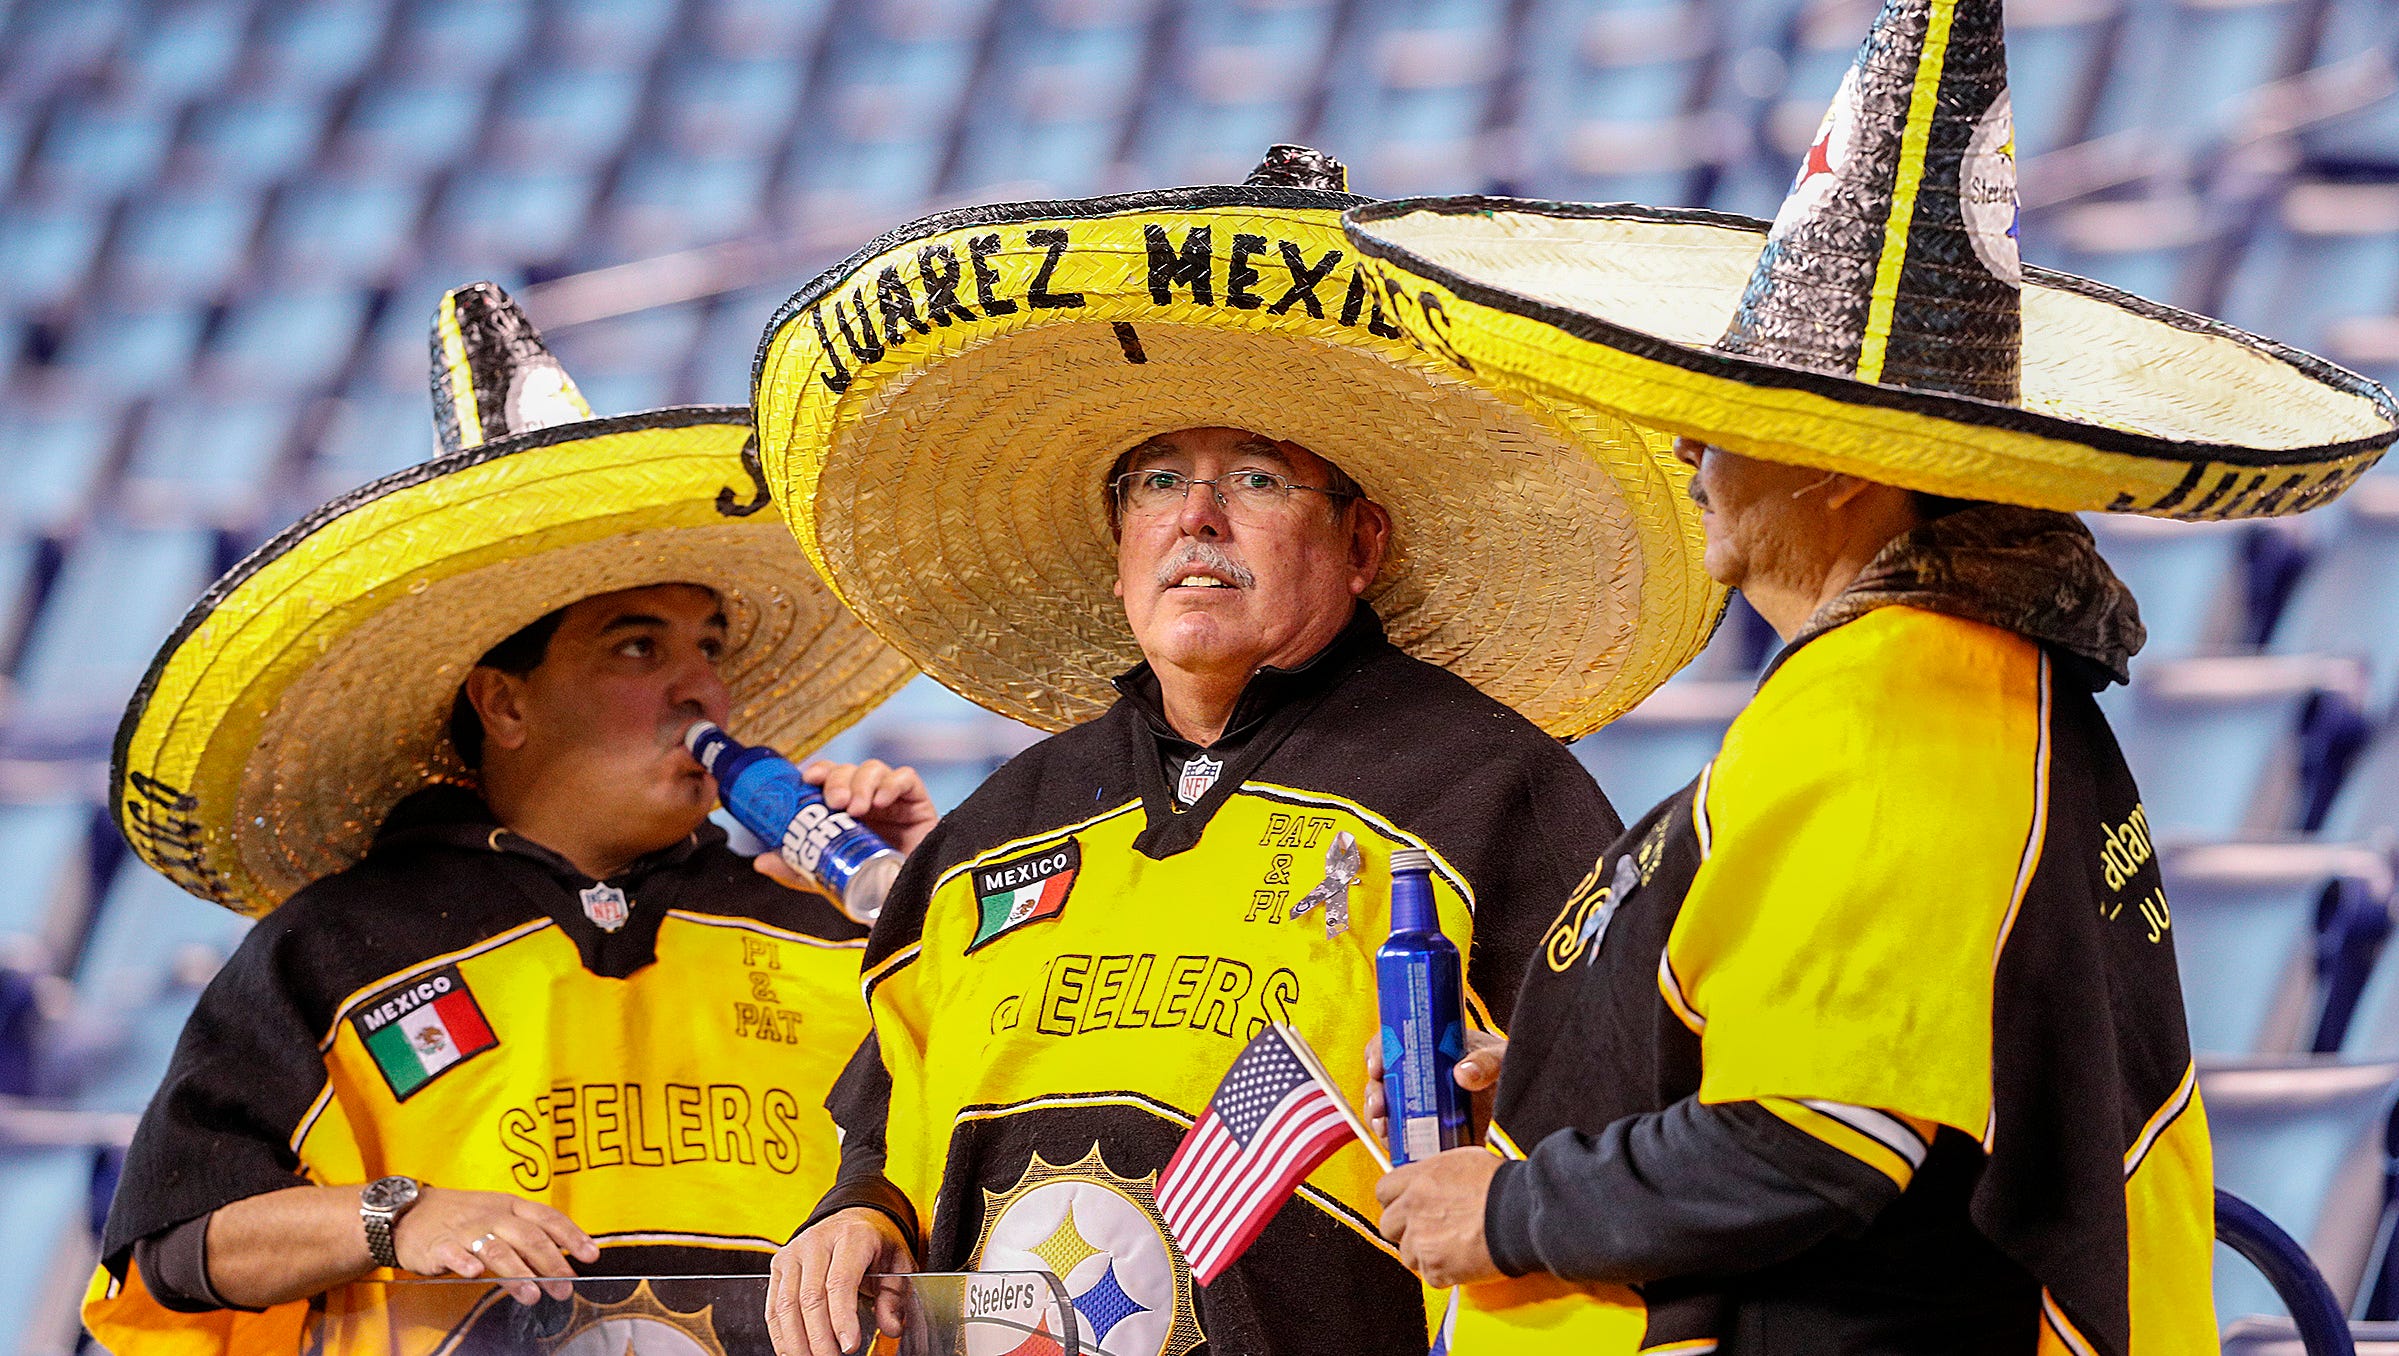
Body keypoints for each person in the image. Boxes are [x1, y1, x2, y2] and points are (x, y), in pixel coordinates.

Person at [1353, 0, 2396, 1349]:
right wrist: (1555, 1083)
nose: (1688, 453)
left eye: (1729, 424)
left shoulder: (1897, 703)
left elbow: (1816, 1138)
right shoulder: (1944, 677)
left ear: (1837, 466)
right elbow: (1852, 1062)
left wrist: (1509, 1209)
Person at [748, 148, 1720, 1356]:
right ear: (1117, 545)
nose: (1195, 518)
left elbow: (1621, 1131)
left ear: (1360, 544)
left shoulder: (1490, 787)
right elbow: (894, 1101)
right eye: (1158, 480)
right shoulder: (998, 817)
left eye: (1255, 479)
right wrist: (860, 1210)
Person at [84, 284, 924, 1356]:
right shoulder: (335, 944)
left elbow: (991, 1166)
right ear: (505, 701)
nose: (700, 691)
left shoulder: (823, 922)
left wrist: (916, 907)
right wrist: (398, 1216)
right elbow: (177, 1245)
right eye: (637, 647)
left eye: (707, 645)